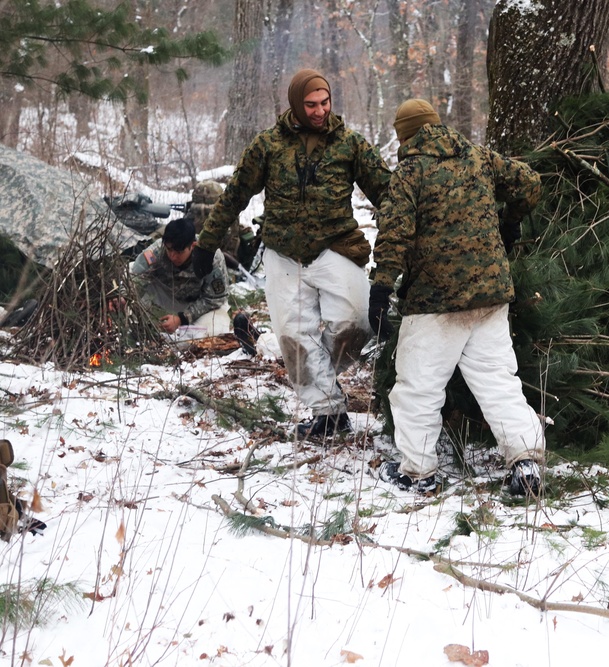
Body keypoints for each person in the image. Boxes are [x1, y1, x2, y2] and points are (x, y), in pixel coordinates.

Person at [193, 68, 391, 440]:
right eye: (311, 104)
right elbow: (235, 195)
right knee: (294, 337)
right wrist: (207, 242)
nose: (320, 111)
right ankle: (329, 413)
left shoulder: (350, 143)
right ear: (296, 105)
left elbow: (390, 195)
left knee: (357, 322)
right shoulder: (268, 145)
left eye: (325, 102)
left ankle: (320, 380)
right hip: (284, 254)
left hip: (335, 245)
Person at [368, 99, 545, 496]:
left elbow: (394, 233)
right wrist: (510, 221)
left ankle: (417, 472)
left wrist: (380, 289)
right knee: (498, 382)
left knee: (417, 388)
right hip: (490, 293)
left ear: (405, 136)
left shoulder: (410, 171)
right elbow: (530, 183)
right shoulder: (479, 157)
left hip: (437, 300)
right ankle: (527, 463)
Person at [131, 217, 231, 337]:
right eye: (169, 250)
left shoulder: (211, 257)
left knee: (216, 330)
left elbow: (215, 298)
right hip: (166, 296)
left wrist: (182, 318)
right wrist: (123, 296)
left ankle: (188, 333)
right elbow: (136, 276)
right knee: (129, 272)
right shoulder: (157, 250)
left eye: (179, 252)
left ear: (192, 246)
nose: (173, 256)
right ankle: (138, 323)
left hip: (198, 304)